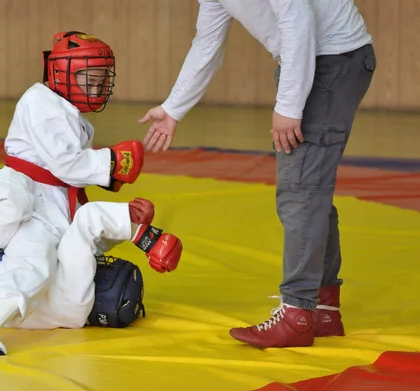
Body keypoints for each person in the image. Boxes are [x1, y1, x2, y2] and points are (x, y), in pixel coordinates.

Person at [137, 0, 376, 348]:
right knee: (309, 189)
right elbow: (207, 42)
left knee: (301, 191)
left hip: (331, 59)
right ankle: (322, 309)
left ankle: (297, 314)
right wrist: (173, 108)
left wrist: (289, 107)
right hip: (321, 60)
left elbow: (298, 20)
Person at [0, 31, 147, 355]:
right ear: (61, 73)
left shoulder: (67, 111)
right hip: (30, 202)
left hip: (49, 203)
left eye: (101, 81)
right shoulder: (41, 103)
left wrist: (113, 188)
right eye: (89, 80)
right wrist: (111, 162)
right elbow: (68, 164)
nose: (96, 88)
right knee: (34, 260)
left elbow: (68, 169)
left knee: (64, 252)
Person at [0, 196, 183, 357]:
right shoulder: (72, 312)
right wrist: (120, 228)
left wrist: (143, 235)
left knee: (33, 239)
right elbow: (82, 246)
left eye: (110, 271)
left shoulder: (75, 290)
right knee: (36, 248)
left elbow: (88, 221)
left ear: (103, 283)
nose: (105, 267)